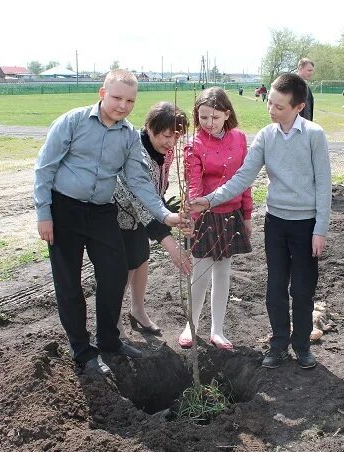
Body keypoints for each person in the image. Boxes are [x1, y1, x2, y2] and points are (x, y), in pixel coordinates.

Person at [34, 69, 187, 377]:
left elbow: (138, 182)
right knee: (69, 284)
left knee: (115, 274)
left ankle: (109, 340)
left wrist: (165, 214)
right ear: (102, 93)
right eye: (117, 97)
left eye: (130, 100)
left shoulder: (130, 136)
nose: (122, 106)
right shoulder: (72, 122)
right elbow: (44, 168)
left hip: (102, 211)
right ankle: (83, 351)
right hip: (65, 210)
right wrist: (44, 213)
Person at [189, 73, 331, 369]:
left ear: (299, 107)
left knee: (302, 289)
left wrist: (320, 229)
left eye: (279, 106)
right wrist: (209, 200)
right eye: (270, 103)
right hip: (276, 222)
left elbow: (324, 186)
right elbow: (243, 176)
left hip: (306, 225)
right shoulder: (266, 136)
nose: (272, 110)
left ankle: (302, 346)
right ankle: (279, 344)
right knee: (276, 287)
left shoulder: (314, 135)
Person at [179, 87, 253, 351]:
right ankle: (191, 325)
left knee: (223, 273)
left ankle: (217, 330)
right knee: (200, 273)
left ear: (227, 114)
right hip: (206, 216)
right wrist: (193, 218)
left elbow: (245, 182)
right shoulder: (194, 144)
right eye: (202, 118)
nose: (208, 124)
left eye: (215, 118)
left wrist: (246, 215)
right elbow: (194, 187)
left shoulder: (240, 139)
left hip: (231, 216)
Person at [113, 102, 193, 336]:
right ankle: (113, 323)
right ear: (149, 127)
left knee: (142, 260)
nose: (171, 143)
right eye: (167, 136)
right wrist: (171, 245)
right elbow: (140, 202)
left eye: (176, 138)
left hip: (144, 215)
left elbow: (158, 189)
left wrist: (171, 212)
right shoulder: (136, 155)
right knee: (125, 267)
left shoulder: (164, 152)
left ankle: (137, 310)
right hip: (122, 216)